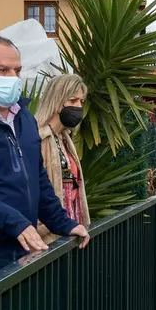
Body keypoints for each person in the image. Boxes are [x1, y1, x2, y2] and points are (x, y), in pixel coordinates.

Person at [0, 36, 90, 292]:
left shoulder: (24, 119)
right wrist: (13, 222)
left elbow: (37, 179)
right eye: (2, 70)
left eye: (17, 70)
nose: (12, 77)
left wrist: (65, 223)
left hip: (22, 249)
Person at [36, 73, 91, 243]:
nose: (78, 107)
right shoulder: (39, 138)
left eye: (81, 102)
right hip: (48, 237)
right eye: (73, 100)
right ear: (58, 101)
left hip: (69, 229)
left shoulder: (65, 138)